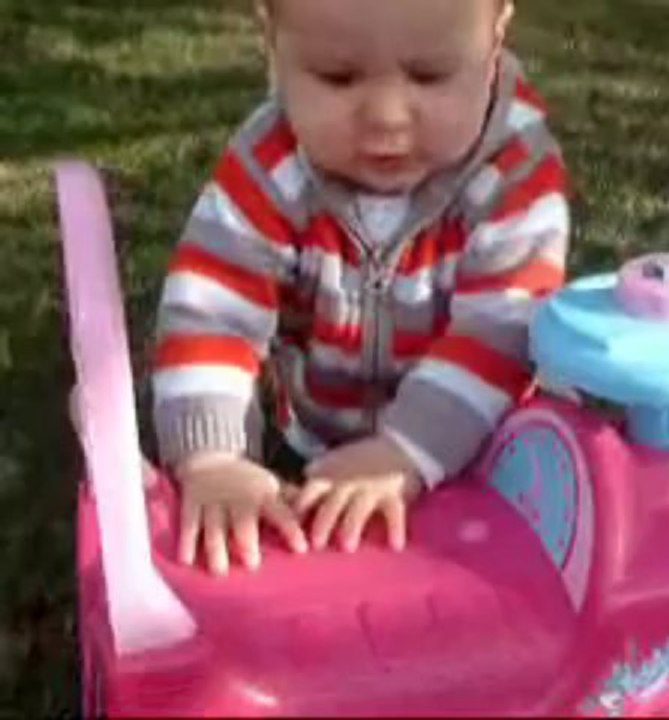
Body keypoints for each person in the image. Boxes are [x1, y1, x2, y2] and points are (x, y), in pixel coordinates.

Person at [151, 0, 571, 576]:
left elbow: (503, 326)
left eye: (429, 75)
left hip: (490, 452)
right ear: (272, 43)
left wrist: (407, 450)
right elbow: (212, 310)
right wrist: (215, 460)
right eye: (338, 77)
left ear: (495, 38)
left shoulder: (515, 170)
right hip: (320, 443)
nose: (387, 117)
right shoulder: (270, 166)